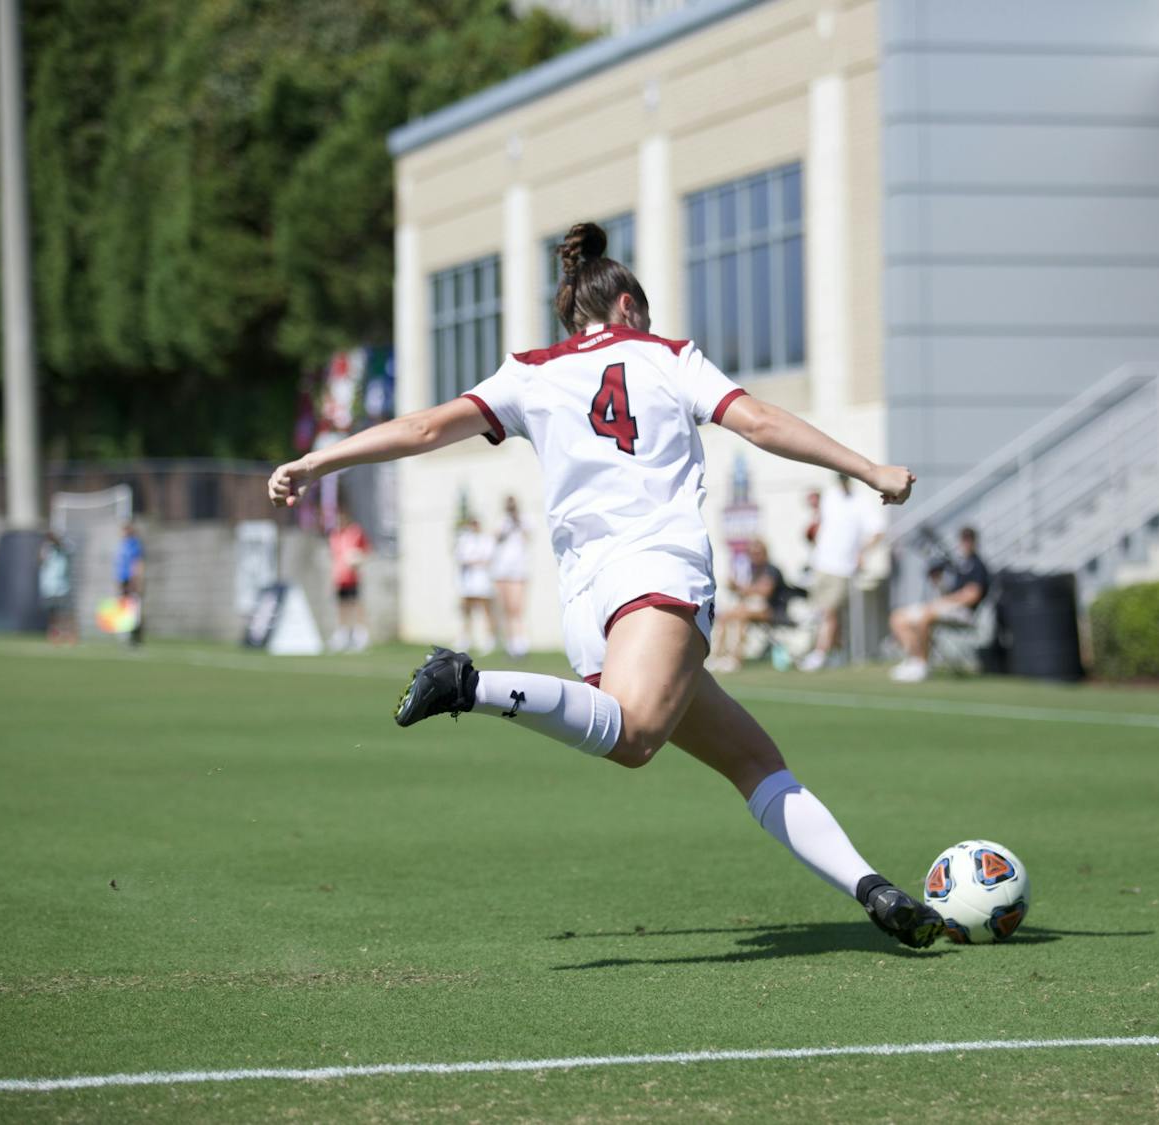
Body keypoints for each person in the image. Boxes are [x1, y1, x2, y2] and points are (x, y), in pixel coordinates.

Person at [266, 221, 943, 950]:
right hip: (656, 568)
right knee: (636, 738)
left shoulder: (529, 372)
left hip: (587, 600)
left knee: (753, 760)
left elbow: (427, 428)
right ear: (626, 306)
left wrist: (318, 461)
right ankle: (467, 684)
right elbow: (759, 420)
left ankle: (873, 890)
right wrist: (868, 468)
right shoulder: (670, 356)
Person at [797, 475, 884, 672]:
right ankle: (835, 652)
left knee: (829, 611)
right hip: (820, 564)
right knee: (823, 613)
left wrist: (862, 553)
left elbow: (878, 531)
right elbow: (818, 522)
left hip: (843, 567)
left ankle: (819, 654)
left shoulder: (861, 501)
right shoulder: (830, 496)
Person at [888, 526, 991, 683]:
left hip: (964, 613)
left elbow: (972, 595)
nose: (966, 543)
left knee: (926, 616)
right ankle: (913, 659)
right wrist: (938, 582)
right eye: (963, 539)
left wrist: (947, 602)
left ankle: (921, 665)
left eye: (969, 539)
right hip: (945, 607)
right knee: (898, 618)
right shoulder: (959, 565)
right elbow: (948, 591)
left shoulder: (978, 565)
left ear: (974, 541)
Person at [708, 540, 790, 673]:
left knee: (741, 616)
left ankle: (735, 658)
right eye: (751, 553)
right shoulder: (750, 570)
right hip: (752, 608)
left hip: (773, 610)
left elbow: (764, 592)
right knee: (725, 616)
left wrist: (740, 588)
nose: (754, 556)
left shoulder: (771, 570)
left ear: (765, 553)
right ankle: (718, 656)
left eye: (757, 553)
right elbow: (748, 592)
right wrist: (736, 587)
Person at [491, 495, 530, 658]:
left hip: (518, 570)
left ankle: (521, 642)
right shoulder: (502, 520)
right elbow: (495, 537)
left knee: (516, 608)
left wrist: (517, 522)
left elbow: (527, 537)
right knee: (506, 608)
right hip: (501, 569)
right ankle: (510, 642)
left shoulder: (524, 520)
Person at [328, 508, 371, 652]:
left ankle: (360, 635)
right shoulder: (334, 535)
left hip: (352, 576)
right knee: (342, 606)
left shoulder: (355, 532)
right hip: (339, 577)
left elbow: (366, 549)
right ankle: (343, 635)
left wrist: (358, 559)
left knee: (356, 605)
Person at [454, 518, 496, 652]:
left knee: (486, 610)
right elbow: (461, 557)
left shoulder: (486, 540)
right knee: (466, 611)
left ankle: (489, 640)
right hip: (467, 581)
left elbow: (487, 558)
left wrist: (473, 560)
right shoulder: (464, 540)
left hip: (482, 580)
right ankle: (465, 639)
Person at [38, 532, 75, 645]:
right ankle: (54, 635)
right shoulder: (47, 548)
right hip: (49, 587)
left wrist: (56, 541)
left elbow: (68, 550)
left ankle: (69, 635)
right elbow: (40, 560)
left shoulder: (66, 546)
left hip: (62, 586)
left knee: (65, 612)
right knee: (52, 613)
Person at [115, 522, 145, 646]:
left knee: (134, 608)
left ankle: (135, 637)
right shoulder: (122, 545)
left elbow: (137, 564)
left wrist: (136, 580)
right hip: (122, 579)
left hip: (131, 579)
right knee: (124, 606)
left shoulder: (134, 545)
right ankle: (125, 633)